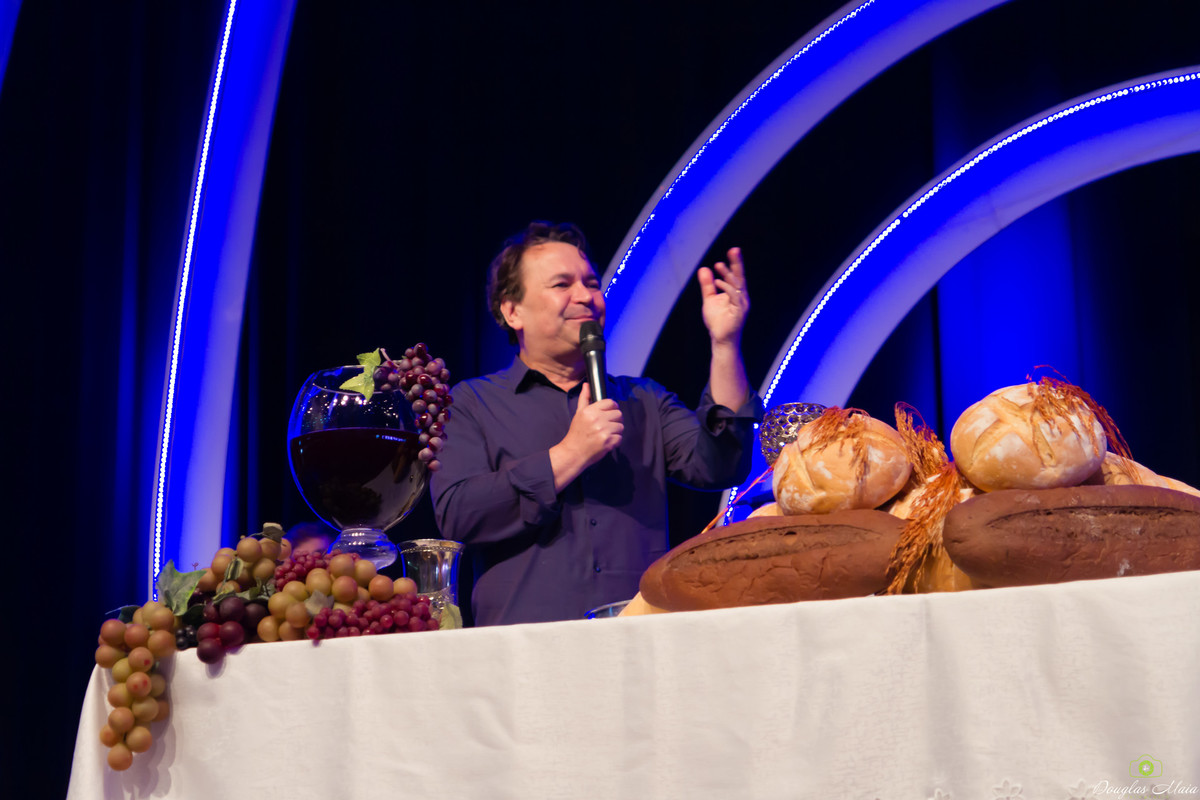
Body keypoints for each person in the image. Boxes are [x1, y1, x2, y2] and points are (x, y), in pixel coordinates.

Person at [430, 222, 761, 625]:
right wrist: (569, 455)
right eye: (561, 284)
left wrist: (724, 344)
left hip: (640, 635)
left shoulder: (644, 400)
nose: (586, 296)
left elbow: (722, 465)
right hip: (526, 645)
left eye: (591, 283)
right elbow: (459, 515)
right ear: (512, 311)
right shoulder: (472, 403)